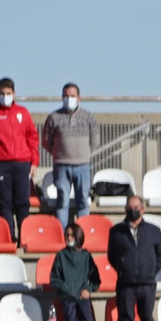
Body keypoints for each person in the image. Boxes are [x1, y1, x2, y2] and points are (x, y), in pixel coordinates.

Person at [0, 78, 41, 243]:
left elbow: (33, 139)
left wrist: (34, 162)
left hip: (22, 164)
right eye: (2, 94)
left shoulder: (23, 113)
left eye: (8, 94)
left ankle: (25, 238)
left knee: (23, 203)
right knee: (4, 203)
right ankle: (9, 238)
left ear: (14, 94)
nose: (5, 96)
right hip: (2, 166)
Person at [107, 196, 161, 321]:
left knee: (147, 319)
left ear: (143, 209)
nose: (133, 210)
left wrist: (151, 270)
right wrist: (123, 269)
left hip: (147, 284)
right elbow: (111, 256)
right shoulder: (116, 231)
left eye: (136, 207)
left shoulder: (154, 231)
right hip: (126, 285)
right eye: (130, 207)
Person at [41, 83, 99, 227]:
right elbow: (46, 141)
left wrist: (83, 154)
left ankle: (82, 234)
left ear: (79, 98)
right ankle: (62, 235)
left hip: (83, 166)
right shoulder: (53, 117)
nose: (69, 99)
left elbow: (95, 140)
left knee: (83, 202)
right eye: (66, 96)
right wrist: (59, 154)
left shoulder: (88, 117)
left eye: (72, 96)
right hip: (61, 166)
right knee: (62, 202)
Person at [51, 222, 101, 321]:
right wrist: (66, 289)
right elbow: (54, 279)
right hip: (67, 298)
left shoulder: (86, 256)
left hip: (83, 297)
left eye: (72, 235)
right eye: (67, 235)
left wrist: (88, 290)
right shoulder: (60, 256)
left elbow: (96, 279)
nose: (69, 238)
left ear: (79, 236)